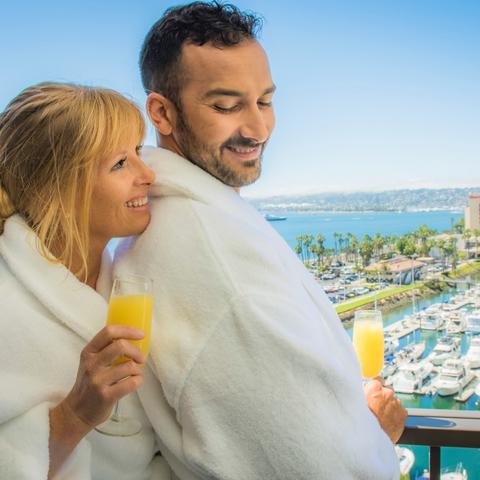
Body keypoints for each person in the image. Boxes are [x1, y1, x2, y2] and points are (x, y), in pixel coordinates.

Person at [115, 2, 407, 479]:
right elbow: (305, 461)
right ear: (161, 113)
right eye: (227, 106)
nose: (258, 128)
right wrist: (376, 439)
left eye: (265, 101)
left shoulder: (194, 218)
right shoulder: (214, 256)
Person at [0, 83, 171, 479]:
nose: (148, 175)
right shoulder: (7, 307)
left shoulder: (123, 273)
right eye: (119, 164)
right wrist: (75, 414)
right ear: (58, 188)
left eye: (139, 153)